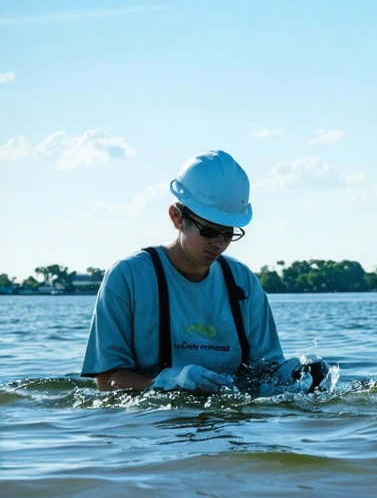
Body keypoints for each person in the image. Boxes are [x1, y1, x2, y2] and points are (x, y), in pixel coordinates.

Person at [82, 150, 310, 393]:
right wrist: (168, 383)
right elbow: (106, 381)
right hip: (155, 418)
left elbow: (266, 373)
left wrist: (297, 374)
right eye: (209, 231)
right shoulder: (129, 277)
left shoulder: (243, 282)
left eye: (228, 233)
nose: (219, 243)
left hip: (231, 418)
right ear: (177, 217)